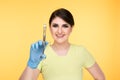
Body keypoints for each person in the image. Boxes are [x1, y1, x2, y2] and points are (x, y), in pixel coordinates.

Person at [19, 8, 105, 80]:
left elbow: (101, 78)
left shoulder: (81, 52)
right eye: (55, 26)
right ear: (49, 28)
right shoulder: (42, 53)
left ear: (71, 28)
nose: (59, 31)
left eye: (65, 26)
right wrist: (31, 64)